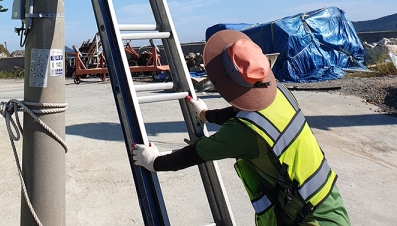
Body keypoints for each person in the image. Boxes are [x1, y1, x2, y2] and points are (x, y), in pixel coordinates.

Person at [132, 30, 351, 226]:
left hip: (309, 219)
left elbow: (194, 154)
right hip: (328, 203)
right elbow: (244, 112)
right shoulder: (280, 92)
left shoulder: (241, 133)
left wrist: (153, 162)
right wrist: (205, 115)